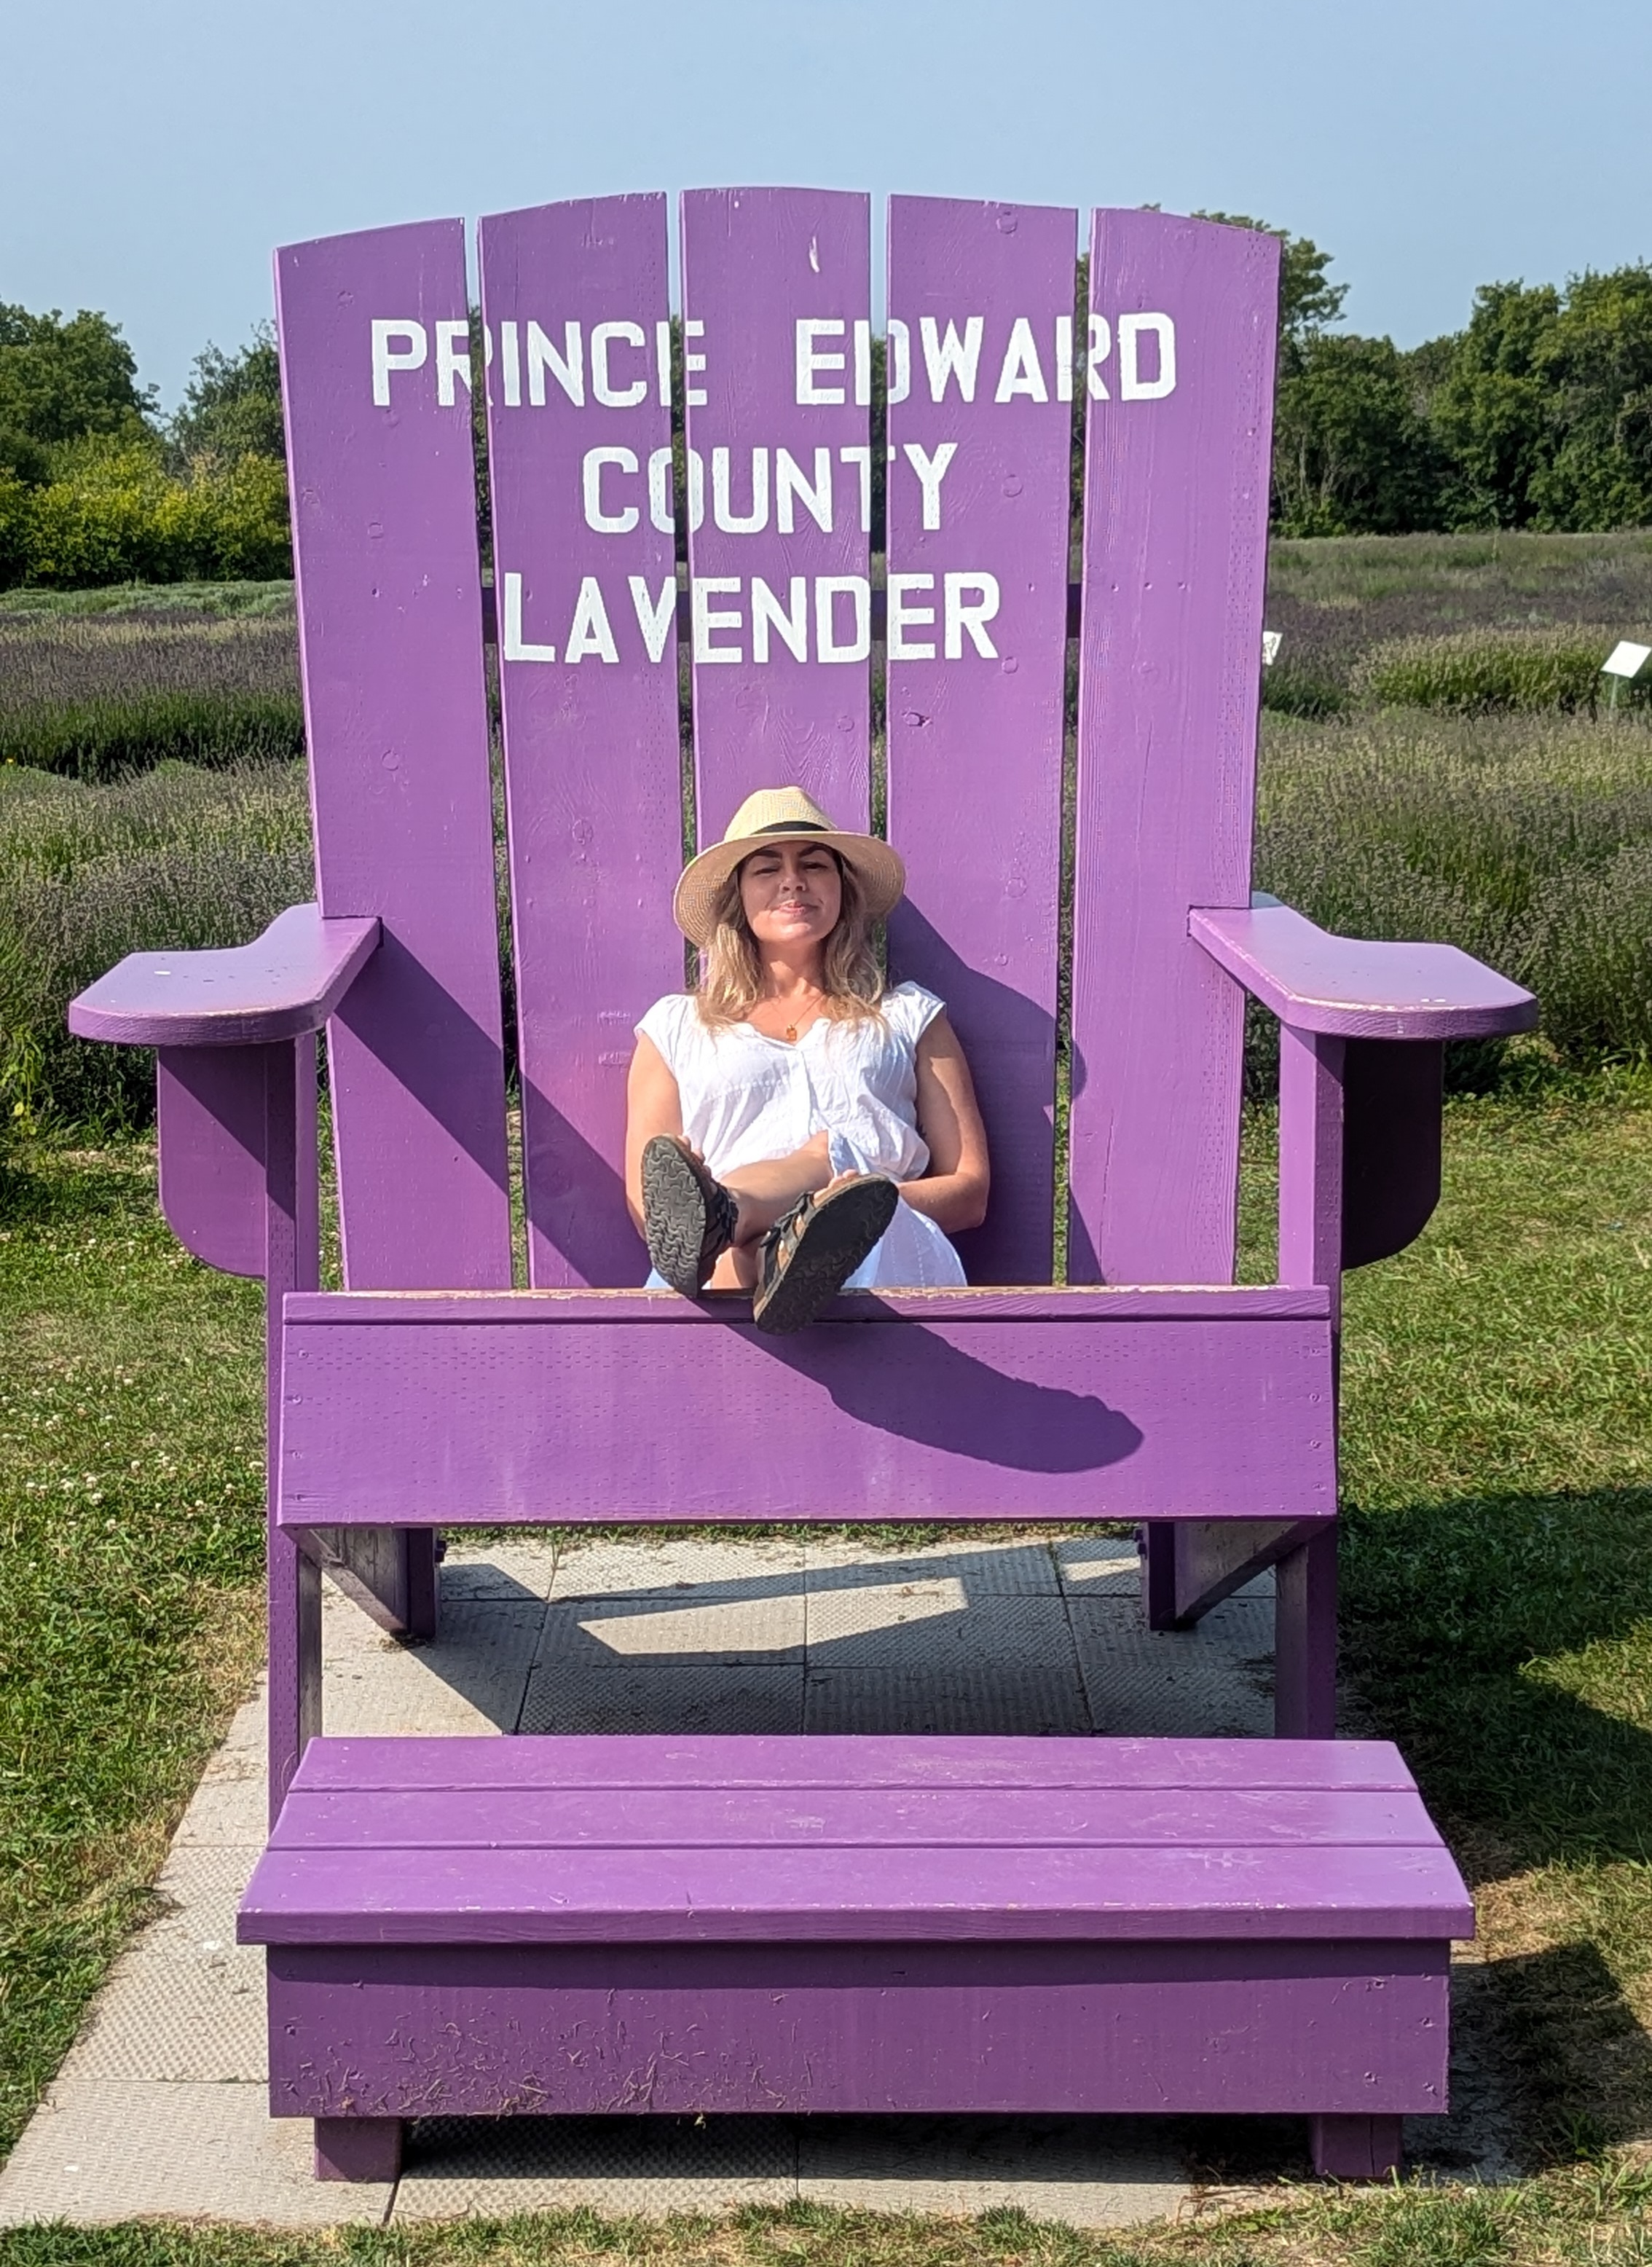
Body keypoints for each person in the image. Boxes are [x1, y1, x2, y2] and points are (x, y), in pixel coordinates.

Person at [626, 785, 990, 1335]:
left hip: (886, 1264)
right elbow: (651, 1204)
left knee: (831, 1154)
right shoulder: (676, 1027)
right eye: (766, 868)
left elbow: (970, 1192)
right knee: (743, 1245)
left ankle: (736, 1215)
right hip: (726, 1285)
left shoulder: (908, 1015)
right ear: (738, 897)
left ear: (843, 889)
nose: (793, 880)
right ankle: (748, 1232)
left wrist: (846, 1205)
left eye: (814, 864)